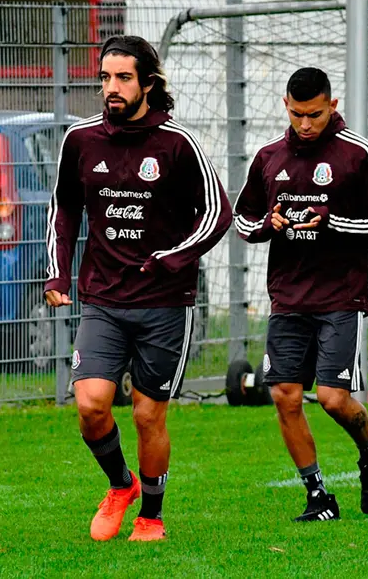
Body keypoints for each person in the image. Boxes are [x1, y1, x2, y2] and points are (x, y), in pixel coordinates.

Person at [45, 35, 232, 542]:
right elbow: (64, 209)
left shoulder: (177, 143)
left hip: (165, 302)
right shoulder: (81, 140)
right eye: (105, 77)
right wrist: (58, 273)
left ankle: (151, 517)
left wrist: (174, 257)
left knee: (149, 415)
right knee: (90, 405)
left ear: (148, 83)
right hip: (103, 298)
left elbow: (218, 212)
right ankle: (119, 484)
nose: (112, 87)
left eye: (123, 77)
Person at [233, 67, 368, 522]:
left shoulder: (357, 154)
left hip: (340, 297)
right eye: (298, 114)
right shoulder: (269, 157)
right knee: (284, 396)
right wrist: (267, 225)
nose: (306, 124)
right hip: (288, 298)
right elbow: (243, 219)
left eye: (316, 115)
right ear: (286, 106)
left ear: (332, 106)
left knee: (332, 399)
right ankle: (318, 495)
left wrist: (334, 223)